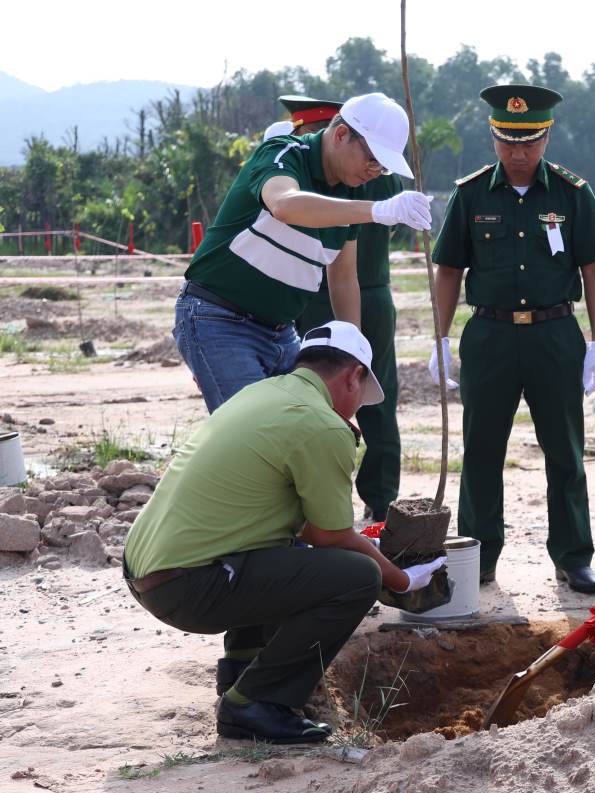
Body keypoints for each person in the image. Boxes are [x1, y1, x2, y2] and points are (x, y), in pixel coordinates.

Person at [123, 322, 447, 743]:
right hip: (187, 587)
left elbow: (311, 529)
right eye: (359, 398)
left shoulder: (261, 393)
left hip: (150, 572)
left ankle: (243, 668)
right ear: (352, 376)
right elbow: (331, 537)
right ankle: (255, 705)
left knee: (288, 549)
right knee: (358, 577)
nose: (355, 409)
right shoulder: (322, 423)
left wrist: (361, 542)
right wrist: (402, 579)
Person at [430, 84, 595, 594]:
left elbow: (594, 270)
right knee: (482, 449)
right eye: (508, 141)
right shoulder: (469, 195)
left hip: (554, 334)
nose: (518, 153)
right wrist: (440, 337)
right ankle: (479, 554)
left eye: (529, 141)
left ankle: (573, 555)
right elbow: (448, 269)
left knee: (565, 451)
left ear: (547, 136)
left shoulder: (572, 194)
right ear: (492, 137)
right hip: (489, 335)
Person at [176, 91, 432, 413]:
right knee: (254, 432)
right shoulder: (283, 154)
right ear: (341, 134)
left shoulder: (351, 190)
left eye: (382, 168)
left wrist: (351, 353)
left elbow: (343, 277)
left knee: (299, 430)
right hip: (219, 319)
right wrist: (377, 210)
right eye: (372, 159)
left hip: (281, 332)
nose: (374, 171)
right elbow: (284, 205)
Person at [280, 95, 404, 524]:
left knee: (329, 392)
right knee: (375, 392)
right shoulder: (380, 179)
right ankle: (381, 493)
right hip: (364, 293)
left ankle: (332, 497)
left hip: (336, 293)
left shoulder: (327, 180)